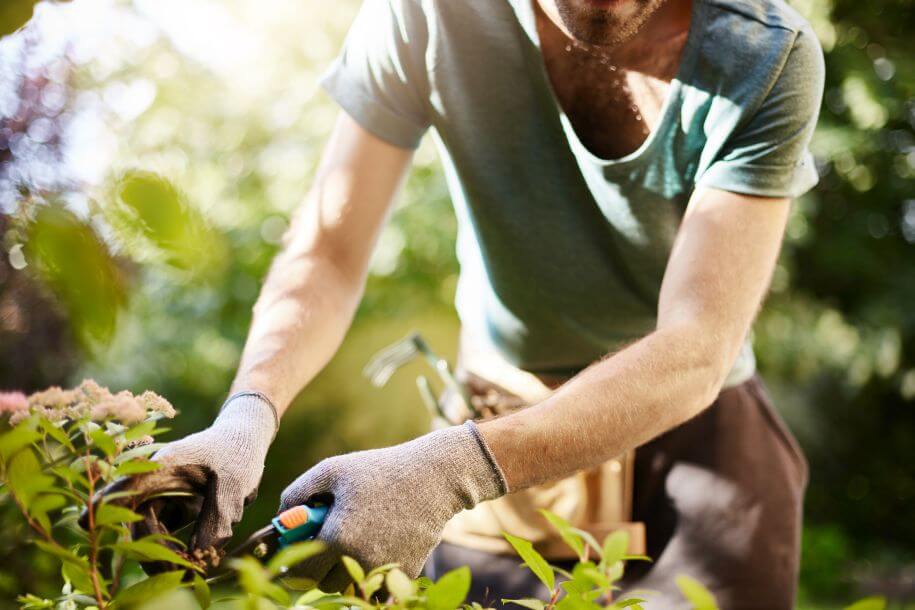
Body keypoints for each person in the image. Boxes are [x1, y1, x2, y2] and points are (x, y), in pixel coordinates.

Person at [115, 0, 823, 606]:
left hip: (697, 437)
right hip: (495, 409)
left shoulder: (763, 56)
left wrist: (450, 470)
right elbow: (329, 248)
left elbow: (698, 344)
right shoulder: (430, 14)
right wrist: (247, 416)